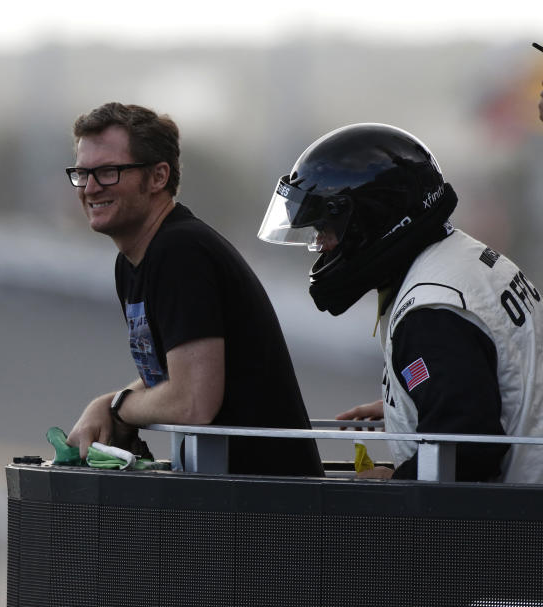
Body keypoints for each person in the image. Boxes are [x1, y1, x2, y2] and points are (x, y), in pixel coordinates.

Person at [258, 122, 543, 482]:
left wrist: (390, 482)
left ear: (370, 220)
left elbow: (468, 456)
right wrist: (416, 402)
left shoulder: (430, 312)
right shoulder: (464, 260)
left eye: (325, 229)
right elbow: (496, 385)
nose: (322, 244)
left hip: (515, 528)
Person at [63, 102, 323, 477]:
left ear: (157, 177)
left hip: (267, 505)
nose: (89, 188)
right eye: (82, 173)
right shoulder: (137, 259)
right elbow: (175, 374)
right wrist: (109, 403)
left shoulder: (180, 252)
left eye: (107, 172)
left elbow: (192, 401)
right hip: (235, 494)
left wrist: (118, 406)